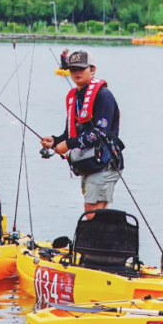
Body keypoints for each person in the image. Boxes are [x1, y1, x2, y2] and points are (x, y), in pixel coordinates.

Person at [40, 50, 124, 217]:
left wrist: (68, 145)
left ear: (93, 70)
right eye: (73, 69)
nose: (77, 72)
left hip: (105, 162)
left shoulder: (103, 95)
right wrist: (55, 141)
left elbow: (100, 133)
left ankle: (108, 234)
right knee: (95, 212)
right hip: (89, 163)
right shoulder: (75, 97)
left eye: (81, 68)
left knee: (92, 213)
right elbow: (71, 133)